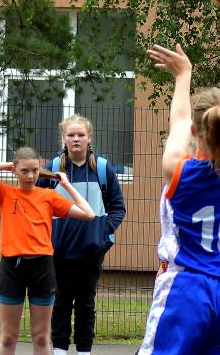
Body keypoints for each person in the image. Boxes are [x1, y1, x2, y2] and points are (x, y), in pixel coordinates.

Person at [139, 29, 220, 355]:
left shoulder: (180, 171)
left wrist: (184, 76)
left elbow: (179, 119)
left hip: (190, 287)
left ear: (196, 132)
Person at [0, 147, 96, 355]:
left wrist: (66, 184)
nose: (31, 176)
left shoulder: (48, 196)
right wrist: (10, 165)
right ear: (15, 171)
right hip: (12, 267)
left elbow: (88, 213)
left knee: (41, 337)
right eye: (24, 171)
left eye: (35, 170)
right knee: (7, 337)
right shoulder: (5, 193)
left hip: (42, 267)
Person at [37, 114, 126, 355]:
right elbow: (36, 205)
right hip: (59, 248)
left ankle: (84, 350)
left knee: (86, 302)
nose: (76, 139)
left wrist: (102, 233)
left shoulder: (103, 169)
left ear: (90, 138)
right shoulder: (52, 170)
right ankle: (59, 349)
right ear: (63, 139)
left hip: (91, 249)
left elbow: (118, 208)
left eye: (81, 135)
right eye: (71, 135)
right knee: (61, 301)